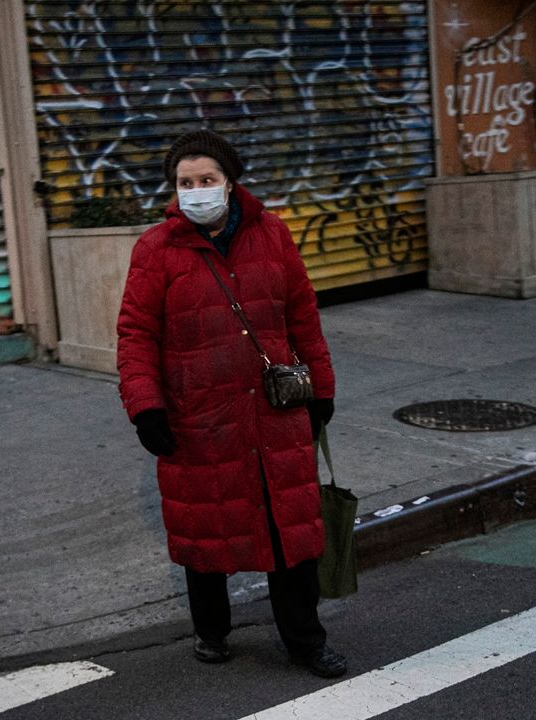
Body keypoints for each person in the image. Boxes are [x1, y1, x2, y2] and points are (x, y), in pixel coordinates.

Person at [116, 129, 346, 678]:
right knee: (205, 529)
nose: (197, 191)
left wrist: (324, 388)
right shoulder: (155, 249)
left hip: (276, 411)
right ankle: (211, 631)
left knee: (290, 534)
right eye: (185, 183)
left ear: (230, 181)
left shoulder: (272, 234)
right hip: (199, 417)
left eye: (207, 180)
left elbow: (302, 316)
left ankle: (305, 642)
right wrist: (145, 406)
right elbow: (135, 335)